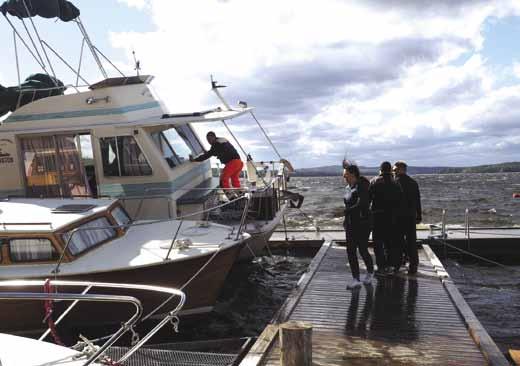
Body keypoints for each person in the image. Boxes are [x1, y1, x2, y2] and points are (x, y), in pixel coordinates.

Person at [343, 163, 374, 289]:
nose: (344, 177)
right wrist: (346, 219)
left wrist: (348, 211)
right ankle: (355, 279)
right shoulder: (348, 187)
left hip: (363, 223)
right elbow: (348, 205)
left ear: (353, 174)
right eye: (344, 175)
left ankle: (370, 272)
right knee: (350, 250)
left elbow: (363, 204)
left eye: (346, 175)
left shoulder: (362, 185)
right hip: (350, 223)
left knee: (362, 249)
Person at [368, 161, 402, 274]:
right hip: (392, 217)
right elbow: (400, 200)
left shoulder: (373, 181)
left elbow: (368, 199)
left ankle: (381, 266)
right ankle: (391, 266)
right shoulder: (396, 183)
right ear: (390, 170)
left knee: (378, 243)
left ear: (380, 170)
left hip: (377, 216)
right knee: (391, 243)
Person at [393, 161, 422, 275]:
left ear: (401, 169)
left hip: (398, 217)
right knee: (411, 241)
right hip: (410, 217)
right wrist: (419, 215)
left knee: (398, 241)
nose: (393, 172)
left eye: (395, 170)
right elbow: (417, 201)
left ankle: (399, 263)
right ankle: (413, 266)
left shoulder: (394, 183)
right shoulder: (413, 183)